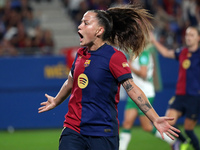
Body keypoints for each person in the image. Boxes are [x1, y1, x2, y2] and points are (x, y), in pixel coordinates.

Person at [38, 4, 180, 150]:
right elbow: (70, 82)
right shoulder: (80, 54)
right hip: (73, 129)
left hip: (103, 131)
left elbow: (132, 89)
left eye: (86, 23)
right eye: (80, 22)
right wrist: (56, 100)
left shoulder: (114, 57)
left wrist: (155, 118)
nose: (79, 27)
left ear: (99, 30)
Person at [150, 26, 200, 150]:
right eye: (187, 35)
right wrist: (153, 41)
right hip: (179, 95)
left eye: (192, 35)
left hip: (194, 97)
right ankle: (182, 141)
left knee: (189, 130)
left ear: (198, 38)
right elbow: (166, 53)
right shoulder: (182, 52)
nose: (188, 37)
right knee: (167, 123)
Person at [119, 44, 177, 150]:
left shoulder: (143, 54)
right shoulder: (136, 55)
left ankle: (173, 140)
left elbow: (144, 73)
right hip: (134, 94)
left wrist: (130, 66)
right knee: (127, 123)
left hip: (145, 94)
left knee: (147, 127)